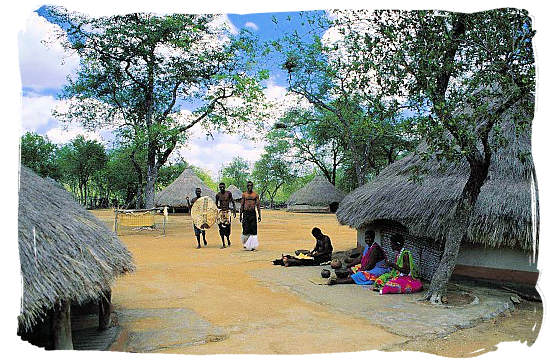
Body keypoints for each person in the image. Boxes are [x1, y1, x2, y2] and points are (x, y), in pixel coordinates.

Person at [240, 181, 261, 251]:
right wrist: (240, 215)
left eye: (251, 185)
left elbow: (258, 206)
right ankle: (246, 244)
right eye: (248, 186)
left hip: (252, 213)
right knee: (245, 229)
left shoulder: (255, 195)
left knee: (253, 229)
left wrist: (259, 215)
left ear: (252, 186)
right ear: (247, 187)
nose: (249, 187)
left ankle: (252, 246)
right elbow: (242, 205)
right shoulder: (244, 195)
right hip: (245, 213)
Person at [215, 182, 236, 248]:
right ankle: (223, 243)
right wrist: (217, 210)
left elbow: (233, 202)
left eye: (223, 187)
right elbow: (216, 204)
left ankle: (227, 238)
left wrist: (234, 211)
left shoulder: (228, 193)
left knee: (227, 227)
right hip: (221, 212)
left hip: (227, 212)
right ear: (219, 187)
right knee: (220, 227)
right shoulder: (218, 195)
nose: (222, 188)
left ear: (225, 187)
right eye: (220, 187)